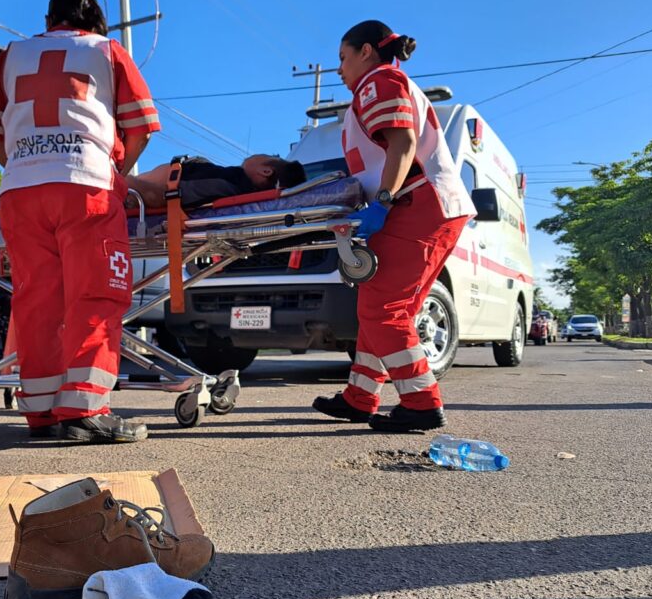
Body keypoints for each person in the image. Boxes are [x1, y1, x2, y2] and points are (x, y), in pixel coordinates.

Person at [0, 0, 159, 443]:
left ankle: (41, 413)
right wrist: (116, 171)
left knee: (35, 301)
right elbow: (141, 129)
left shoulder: (12, 55)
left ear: (48, 18)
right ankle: (85, 407)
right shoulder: (107, 51)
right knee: (96, 295)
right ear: (95, 20)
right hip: (85, 189)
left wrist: (23, 165)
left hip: (20, 192)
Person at [312, 21, 476, 433]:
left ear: (366, 51)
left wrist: (382, 202)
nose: (339, 70)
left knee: (382, 310)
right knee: (379, 306)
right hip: (425, 203)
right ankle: (360, 398)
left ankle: (421, 403)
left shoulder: (379, 81)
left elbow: (401, 144)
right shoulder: (379, 85)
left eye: (343, 58)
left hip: (417, 203)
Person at [125, 155, 306, 210]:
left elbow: (159, 196)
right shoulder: (227, 183)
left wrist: (119, 181)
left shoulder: (225, 183)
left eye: (272, 156)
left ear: (266, 171)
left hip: (119, 190)